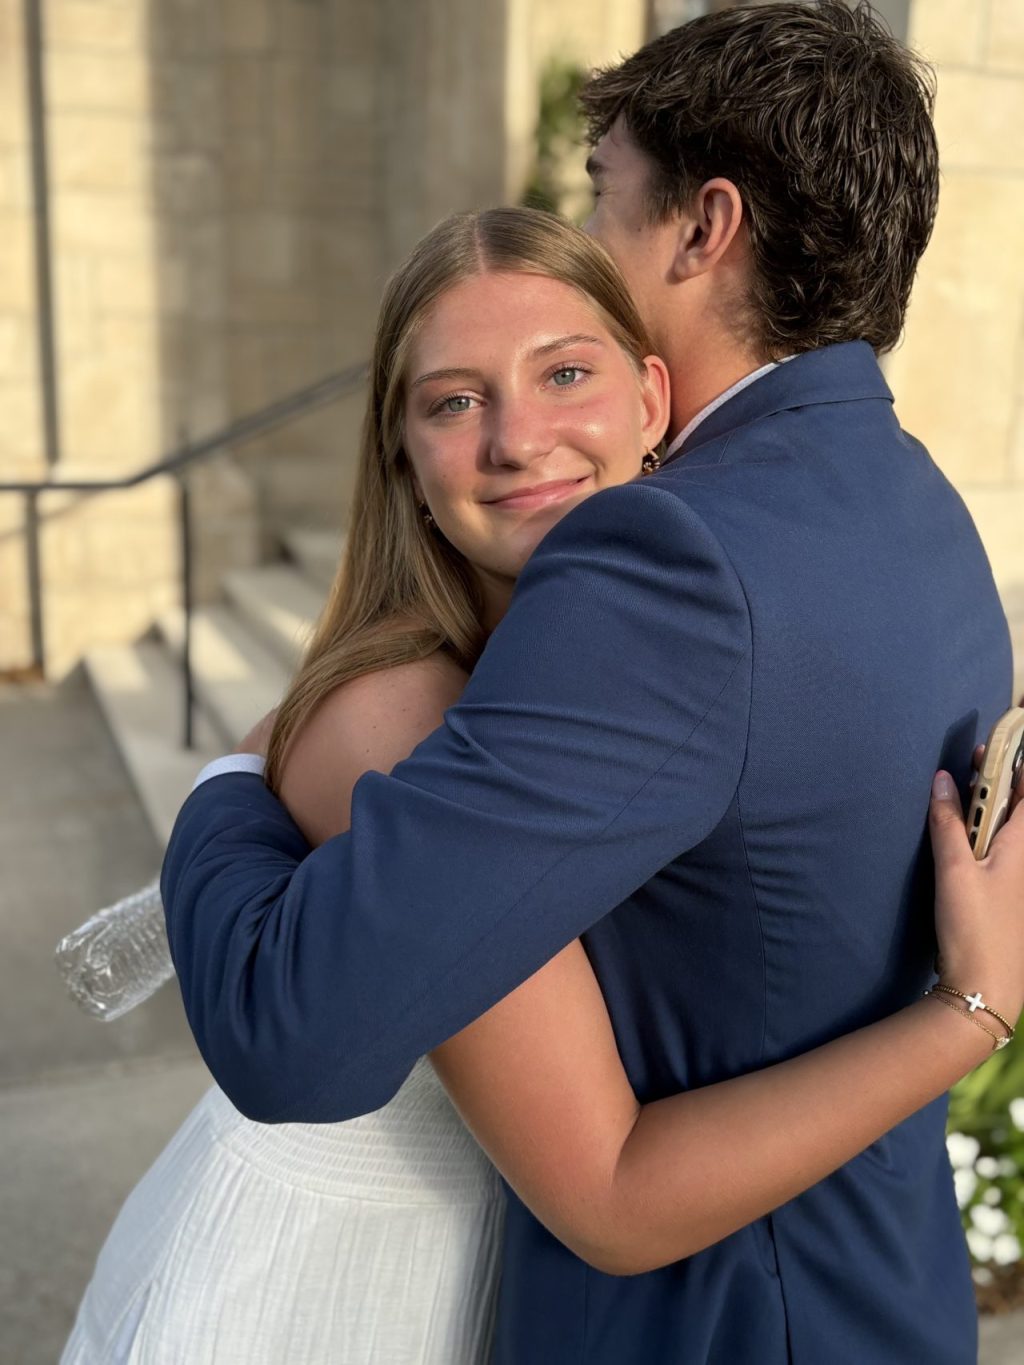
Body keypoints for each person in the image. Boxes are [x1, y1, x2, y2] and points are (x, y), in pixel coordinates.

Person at [161, 5, 1021, 1363]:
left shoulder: (669, 564)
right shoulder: (916, 504)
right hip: (887, 1299)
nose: (587, 234)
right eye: (455, 400)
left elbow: (290, 1031)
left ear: (704, 227)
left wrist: (225, 781)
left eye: (602, 194)